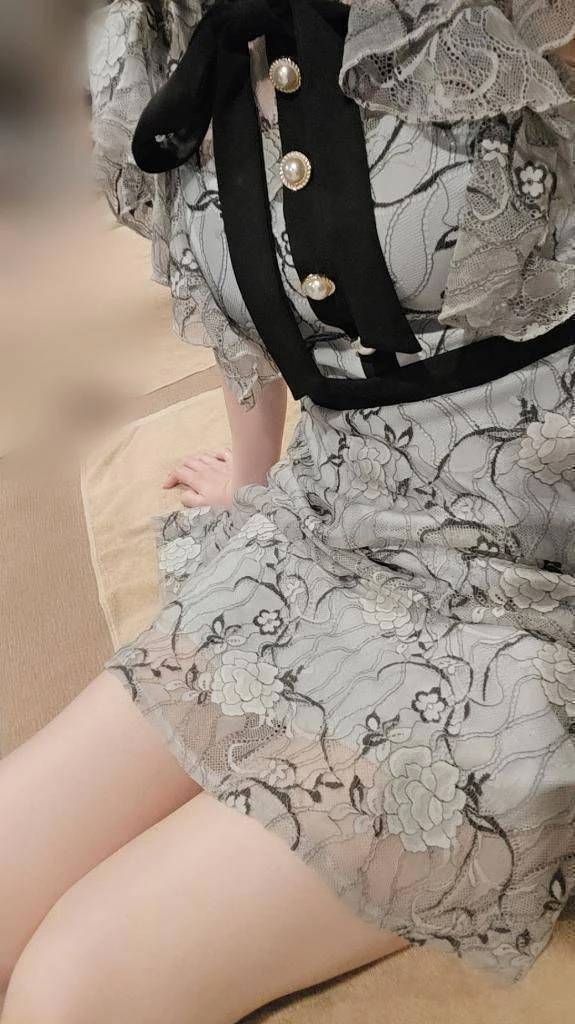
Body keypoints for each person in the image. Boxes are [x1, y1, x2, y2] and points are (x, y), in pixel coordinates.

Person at [2, 1, 575, 1020]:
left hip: (524, 598)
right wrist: (253, 476)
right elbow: (256, 297)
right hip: (328, 525)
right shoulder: (155, 36)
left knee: (71, 987)